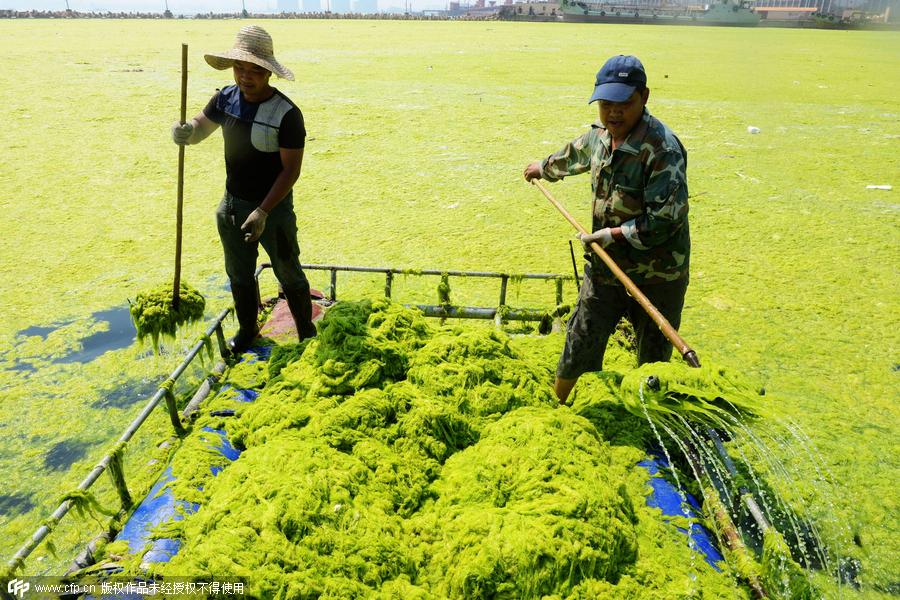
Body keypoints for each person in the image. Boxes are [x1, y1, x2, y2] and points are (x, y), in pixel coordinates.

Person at [523, 55, 690, 403]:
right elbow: (576, 155)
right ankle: (559, 404)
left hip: (658, 273)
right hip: (605, 266)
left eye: (624, 104)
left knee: (653, 357)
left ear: (644, 97)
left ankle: (650, 422)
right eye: (606, 104)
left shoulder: (663, 150)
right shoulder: (600, 137)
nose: (614, 113)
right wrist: (543, 167)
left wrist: (611, 234)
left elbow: (664, 220)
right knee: (582, 335)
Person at [171, 25, 316, 353]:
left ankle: (306, 332)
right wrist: (183, 131)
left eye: (255, 70)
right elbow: (197, 129)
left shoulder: (286, 114)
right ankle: (248, 330)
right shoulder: (225, 99)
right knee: (238, 273)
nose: (245, 76)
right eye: (240, 67)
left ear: (269, 72)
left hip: (273, 209)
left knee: (289, 271)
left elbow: (291, 170)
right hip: (233, 204)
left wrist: (263, 211)